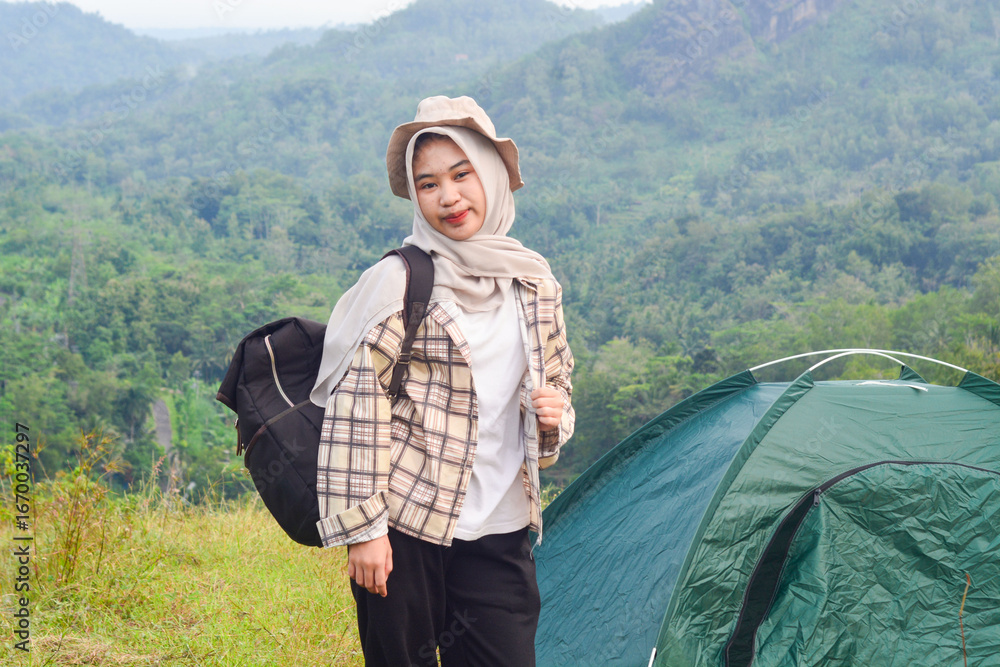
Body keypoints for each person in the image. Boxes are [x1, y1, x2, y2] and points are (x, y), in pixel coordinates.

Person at [308, 95, 575, 666]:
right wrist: (364, 531)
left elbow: (559, 381)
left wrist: (553, 416)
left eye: (461, 174)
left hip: (500, 527)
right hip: (406, 525)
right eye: (427, 184)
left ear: (493, 176)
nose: (448, 197)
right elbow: (357, 409)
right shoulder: (400, 281)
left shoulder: (533, 283)